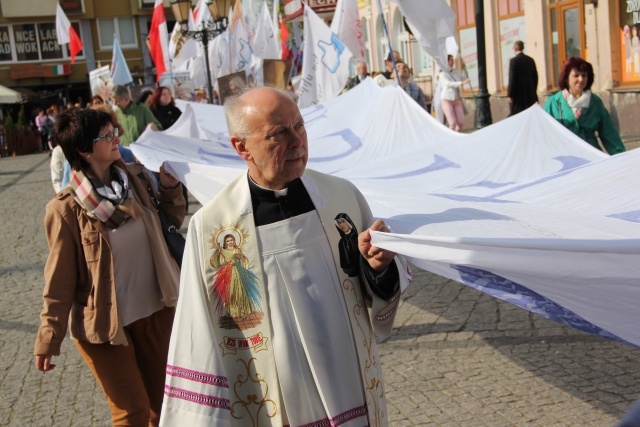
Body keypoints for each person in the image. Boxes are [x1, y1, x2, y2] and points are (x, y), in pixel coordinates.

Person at [160, 87, 411, 426]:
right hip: (274, 398)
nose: (297, 141)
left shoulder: (342, 196)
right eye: (279, 133)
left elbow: (371, 280)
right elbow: (198, 330)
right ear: (241, 147)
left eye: (300, 126)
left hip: (348, 377)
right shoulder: (213, 228)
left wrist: (379, 267)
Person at [34, 108, 185, 426]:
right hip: (105, 328)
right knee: (131, 413)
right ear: (83, 150)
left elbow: (168, 224)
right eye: (106, 136)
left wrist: (170, 188)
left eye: (114, 131)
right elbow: (58, 281)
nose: (116, 138)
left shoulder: (139, 178)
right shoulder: (65, 210)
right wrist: (49, 337)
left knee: (166, 408)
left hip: (156, 312)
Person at [543, 57, 625, 155]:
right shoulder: (554, 103)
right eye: (576, 75)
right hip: (565, 156)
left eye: (584, 75)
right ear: (566, 78)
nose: (581, 79)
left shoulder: (595, 102)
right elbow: (543, 133)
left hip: (591, 155)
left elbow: (609, 133)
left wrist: (621, 156)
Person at [439, 54, 470, 132]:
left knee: (460, 123)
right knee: (452, 123)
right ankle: (450, 139)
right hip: (446, 99)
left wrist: (463, 68)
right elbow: (448, 84)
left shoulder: (456, 72)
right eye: (450, 60)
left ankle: (457, 137)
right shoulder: (442, 74)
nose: (452, 62)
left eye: (453, 60)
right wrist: (461, 83)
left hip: (456, 99)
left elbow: (464, 78)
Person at [507, 40, 538, 116]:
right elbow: (535, 77)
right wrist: (533, 91)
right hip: (530, 94)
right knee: (530, 115)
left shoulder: (513, 61)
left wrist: (510, 95)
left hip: (518, 96)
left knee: (518, 117)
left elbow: (512, 79)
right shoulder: (530, 60)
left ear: (515, 49)